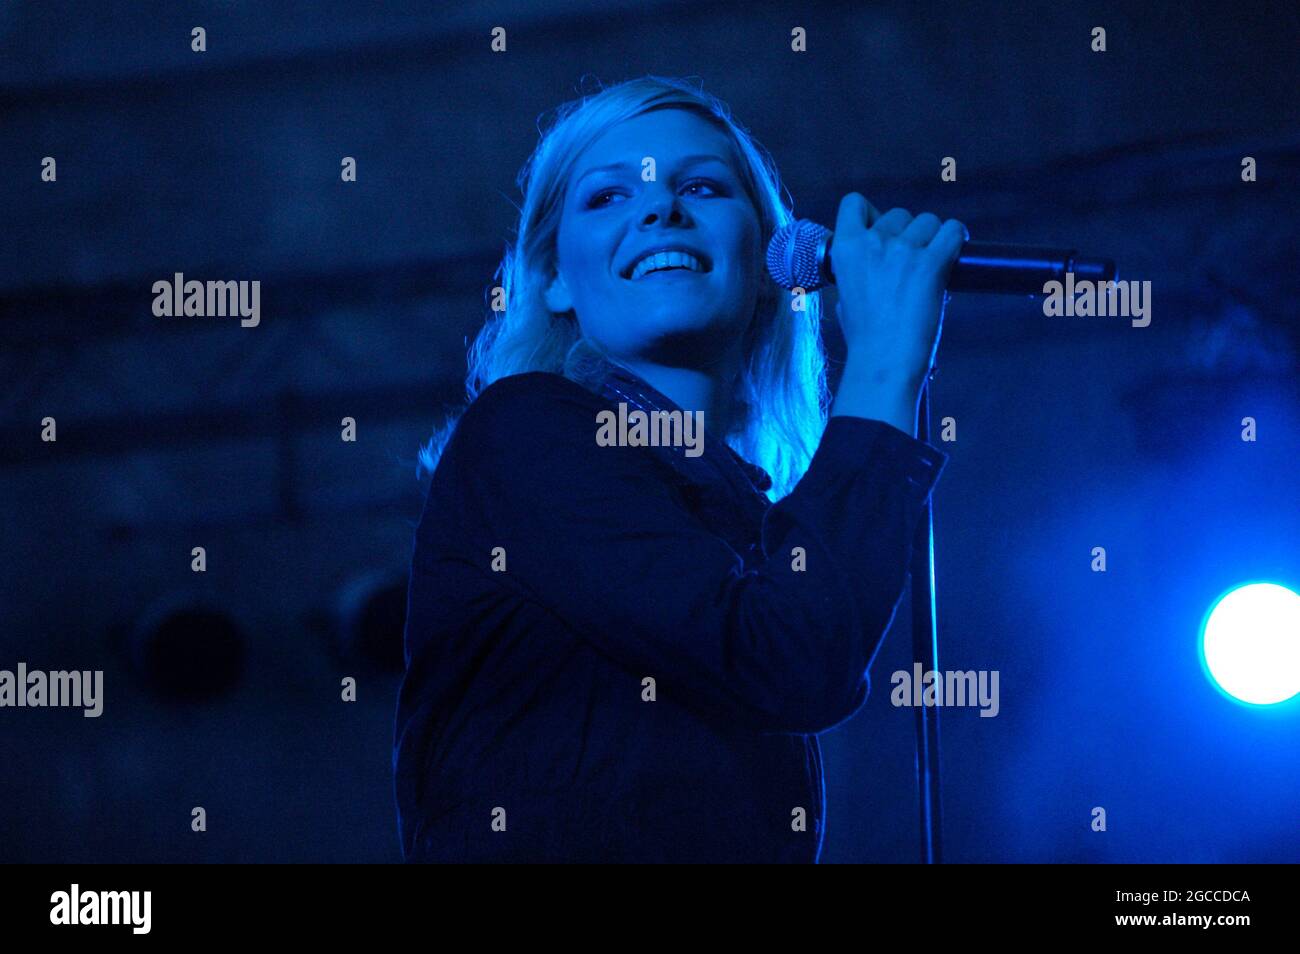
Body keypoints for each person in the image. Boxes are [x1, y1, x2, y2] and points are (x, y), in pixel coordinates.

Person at [393, 76, 964, 862]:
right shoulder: (524, 432)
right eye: (606, 198)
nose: (660, 208)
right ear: (553, 278)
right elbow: (792, 660)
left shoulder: (751, 526)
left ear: (771, 261)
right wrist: (885, 363)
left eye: (702, 186)